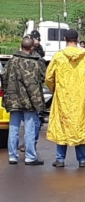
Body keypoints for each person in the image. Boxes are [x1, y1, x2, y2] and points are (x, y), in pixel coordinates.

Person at [45, 29, 85, 167]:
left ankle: (60, 159)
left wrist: (54, 88)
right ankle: (82, 159)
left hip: (63, 96)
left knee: (61, 124)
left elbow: (48, 76)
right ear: (77, 39)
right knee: (81, 124)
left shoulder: (59, 56)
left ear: (65, 38)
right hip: (82, 96)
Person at [1, 36, 46, 165]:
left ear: (21, 46)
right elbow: (42, 78)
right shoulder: (37, 62)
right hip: (31, 100)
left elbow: (4, 77)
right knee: (30, 127)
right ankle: (30, 156)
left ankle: (12, 156)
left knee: (14, 127)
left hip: (13, 99)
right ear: (32, 47)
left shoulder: (11, 61)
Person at [18, 33, 47, 153]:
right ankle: (30, 149)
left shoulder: (36, 55)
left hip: (26, 94)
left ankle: (26, 148)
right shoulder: (35, 57)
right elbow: (43, 76)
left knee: (30, 122)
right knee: (32, 122)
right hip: (33, 94)